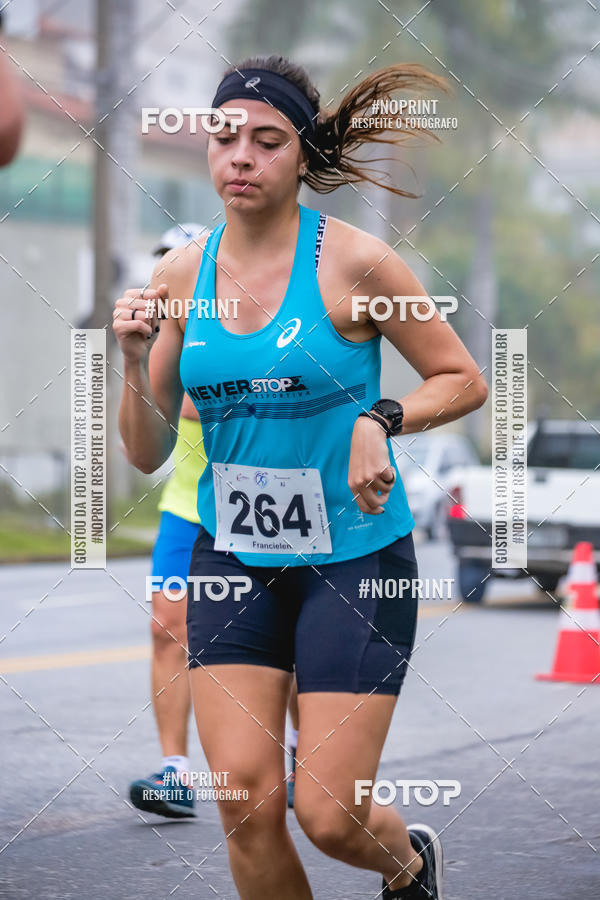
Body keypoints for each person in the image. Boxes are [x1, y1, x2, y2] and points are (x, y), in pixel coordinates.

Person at [114, 55, 488, 899]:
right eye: (223, 138)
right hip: (233, 558)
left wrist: (378, 418)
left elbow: (463, 377)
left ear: (300, 157)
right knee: (245, 802)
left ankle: (409, 862)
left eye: (265, 140)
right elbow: (146, 450)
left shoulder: (356, 266)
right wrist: (131, 363)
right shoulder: (181, 278)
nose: (239, 155)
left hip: (355, 560)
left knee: (329, 814)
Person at [129, 223, 209, 818]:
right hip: (185, 508)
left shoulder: (227, 324)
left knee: (280, 641)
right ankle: (176, 771)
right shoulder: (154, 336)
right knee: (167, 631)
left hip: (260, 508)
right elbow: (145, 440)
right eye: (160, 266)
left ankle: (296, 756)